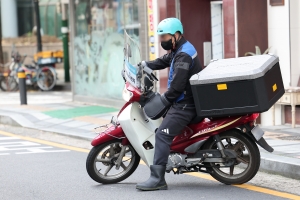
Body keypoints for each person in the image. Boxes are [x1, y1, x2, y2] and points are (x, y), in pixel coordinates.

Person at [136, 18, 202, 191]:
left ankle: (158, 179)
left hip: (186, 105)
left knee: (162, 135)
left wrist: (163, 101)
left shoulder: (184, 55)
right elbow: (164, 60)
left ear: (176, 35)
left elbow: (177, 87)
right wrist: (144, 65)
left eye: (164, 37)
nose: (162, 41)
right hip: (183, 101)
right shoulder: (178, 49)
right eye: (161, 37)